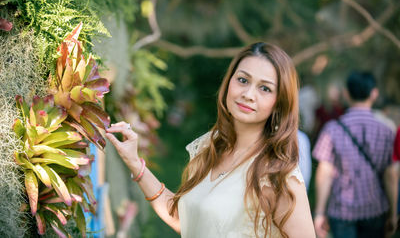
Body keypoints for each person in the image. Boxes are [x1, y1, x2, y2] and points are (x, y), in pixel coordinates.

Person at [106, 42, 315, 238]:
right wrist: (134, 162)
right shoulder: (209, 147)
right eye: (243, 80)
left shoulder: (277, 175)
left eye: (265, 88)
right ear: (229, 82)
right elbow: (185, 219)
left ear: (279, 103)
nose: (249, 94)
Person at [313, 71, 397, 238]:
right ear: (374, 93)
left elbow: (325, 172)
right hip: (376, 209)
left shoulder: (332, 129)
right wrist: (394, 213)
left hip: (341, 212)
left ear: (346, 93)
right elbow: (390, 175)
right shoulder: (386, 131)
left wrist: (320, 212)